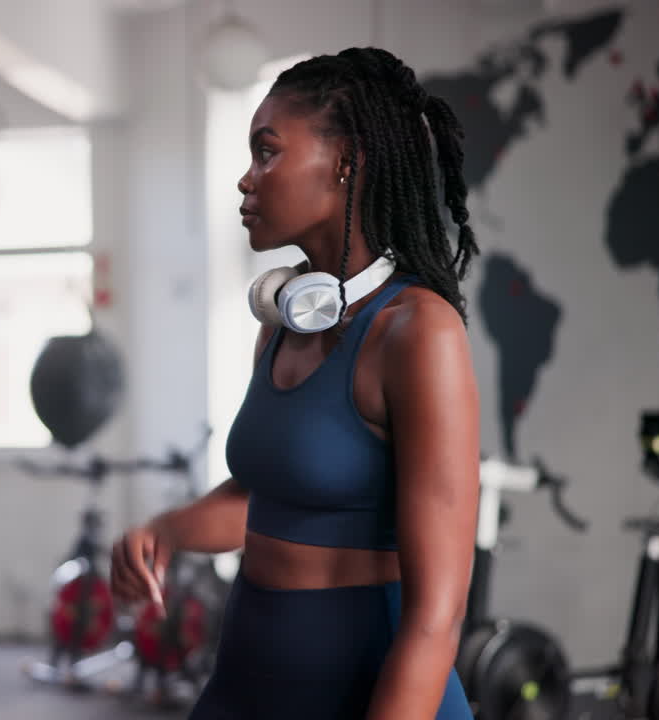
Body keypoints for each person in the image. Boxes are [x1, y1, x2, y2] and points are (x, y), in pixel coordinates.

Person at [111, 47, 480, 719]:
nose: (246, 181)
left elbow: (436, 619)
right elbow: (264, 500)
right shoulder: (284, 322)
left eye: (267, 152)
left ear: (347, 161)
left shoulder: (418, 333)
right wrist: (165, 529)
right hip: (247, 681)